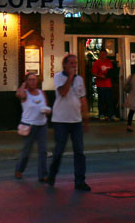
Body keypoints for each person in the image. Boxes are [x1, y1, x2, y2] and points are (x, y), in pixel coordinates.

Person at [48, 53, 91, 191]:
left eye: (75, 63)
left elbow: (82, 98)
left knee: (79, 151)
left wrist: (85, 117)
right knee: (59, 150)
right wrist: (70, 77)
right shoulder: (58, 77)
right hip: (61, 120)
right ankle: (52, 175)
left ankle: (80, 181)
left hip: (76, 120)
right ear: (65, 65)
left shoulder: (80, 80)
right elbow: (63, 92)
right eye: (71, 63)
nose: (74, 66)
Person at [14, 73, 50, 181]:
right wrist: (23, 85)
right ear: (27, 82)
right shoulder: (25, 94)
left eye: (34, 79)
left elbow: (45, 106)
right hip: (29, 125)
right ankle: (19, 169)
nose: (33, 81)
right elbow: (18, 94)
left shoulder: (41, 92)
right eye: (30, 80)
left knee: (43, 150)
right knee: (27, 150)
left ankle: (43, 174)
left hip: (42, 124)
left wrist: (47, 110)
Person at [92, 49, 114, 120]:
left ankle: (110, 114)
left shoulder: (109, 62)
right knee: (101, 100)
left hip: (109, 84)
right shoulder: (96, 63)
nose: (104, 55)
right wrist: (100, 76)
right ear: (100, 54)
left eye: (105, 54)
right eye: (102, 54)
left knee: (109, 100)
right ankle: (101, 114)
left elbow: (112, 71)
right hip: (101, 84)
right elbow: (93, 73)